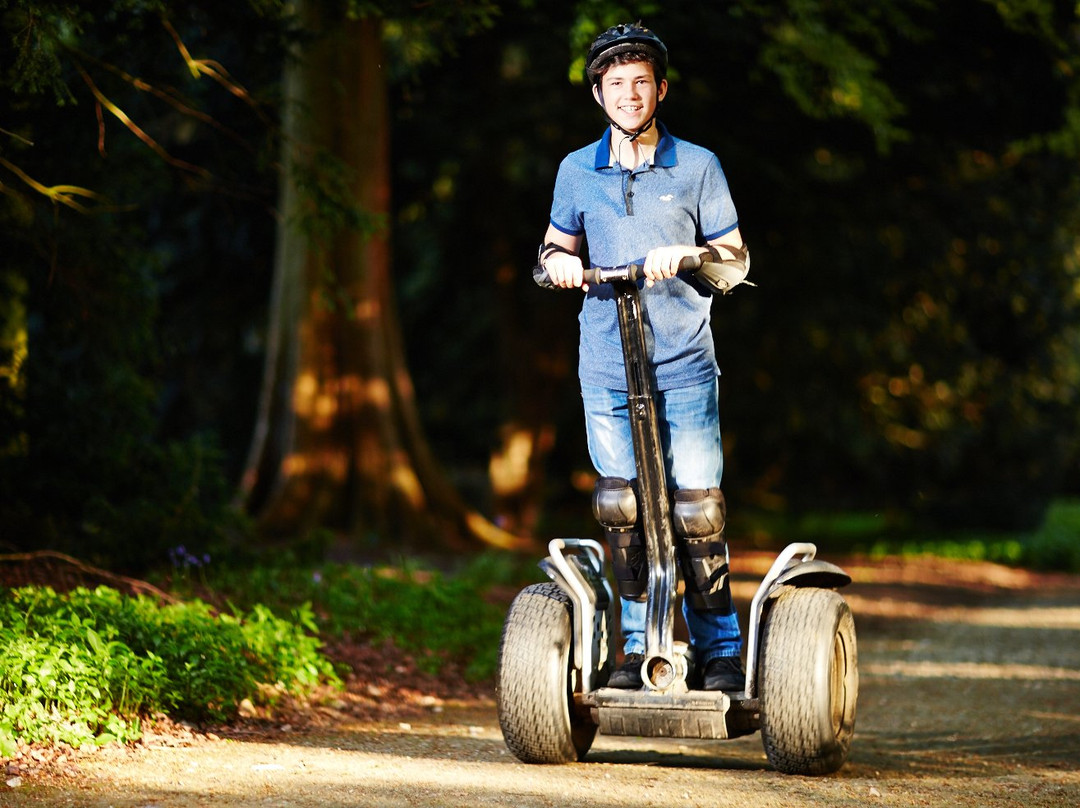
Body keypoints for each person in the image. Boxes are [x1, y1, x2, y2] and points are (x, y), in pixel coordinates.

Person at [538, 22, 750, 692]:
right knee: (622, 507)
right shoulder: (576, 169)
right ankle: (637, 648)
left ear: (659, 88)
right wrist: (560, 266)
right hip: (605, 363)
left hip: (684, 362)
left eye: (640, 82)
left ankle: (720, 652)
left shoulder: (698, 166)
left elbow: (737, 260)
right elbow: (552, 251)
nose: (629, 94)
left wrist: (689, 255)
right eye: (615, 84)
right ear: (598, 94)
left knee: (696, 510)